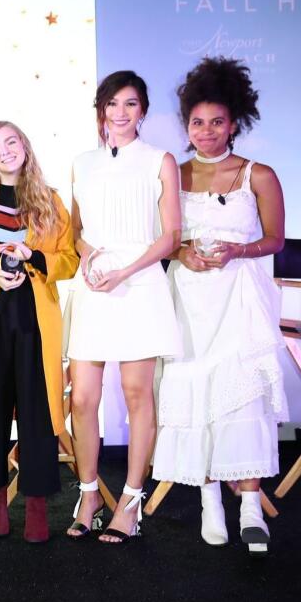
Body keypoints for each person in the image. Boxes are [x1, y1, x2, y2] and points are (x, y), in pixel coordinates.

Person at [153, 57, 287, 555]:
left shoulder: (259, 174)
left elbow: (275, 240)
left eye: (217, 122)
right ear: (186, 125)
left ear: (235, 123)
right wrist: (182, 252)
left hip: (240, 296)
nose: (206, 131)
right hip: (189, 297)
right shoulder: (173, 172)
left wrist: (238, 250)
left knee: (241, 393)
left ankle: (250, 507)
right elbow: (161, 239)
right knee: (195, 391)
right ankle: (210, 498)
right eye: (197, 122)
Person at [66, 70, 181, 544]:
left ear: (143, 111)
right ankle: (89, 494)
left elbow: (171, 235)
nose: (120, 113)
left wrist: (125, 271)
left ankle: (131, 501)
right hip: (94, 284)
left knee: (138, 395)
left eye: (130, 104)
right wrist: (89, 257)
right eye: (112, 104)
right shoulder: (83, 162)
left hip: (140, 284)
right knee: (82, 398)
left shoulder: (160, 160)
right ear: (101, 110)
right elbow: (76, 230)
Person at [0, 121, 78, 543]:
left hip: (36, 317)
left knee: (38, 413)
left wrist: (34, 257)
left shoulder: (49, 200)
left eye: (11, 142)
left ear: (25, 147)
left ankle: (36, 505)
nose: (5, 151)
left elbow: (69, 260)